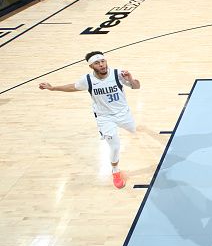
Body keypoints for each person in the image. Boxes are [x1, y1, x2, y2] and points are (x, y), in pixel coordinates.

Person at [39, 52, 140, 189]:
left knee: (134, 130)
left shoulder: (117, 74)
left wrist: (131, 79)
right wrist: (53, 88)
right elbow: (72, 87)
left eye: (103, 61)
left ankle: (129, 130)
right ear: (91, 66)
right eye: (97, 63)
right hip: (104, 118)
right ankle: (115, 172)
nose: (102, 65)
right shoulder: (87, 79)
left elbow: (136, 86)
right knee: (115, 146)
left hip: (123, 114)